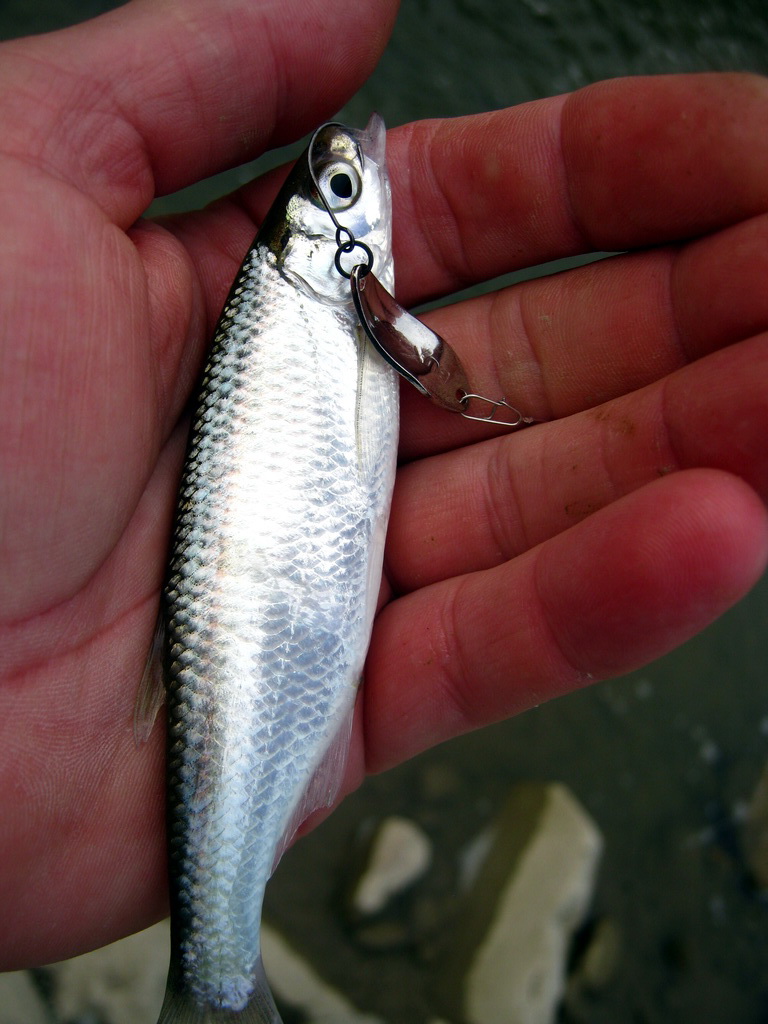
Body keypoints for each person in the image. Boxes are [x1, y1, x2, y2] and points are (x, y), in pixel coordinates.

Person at [1, 0, 767, 972]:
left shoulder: (307, 300)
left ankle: (217, 959)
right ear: (327, 245)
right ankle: (218, 968)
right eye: (342, 185)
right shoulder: (294, 300)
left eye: (340, 183)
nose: (363, 171)